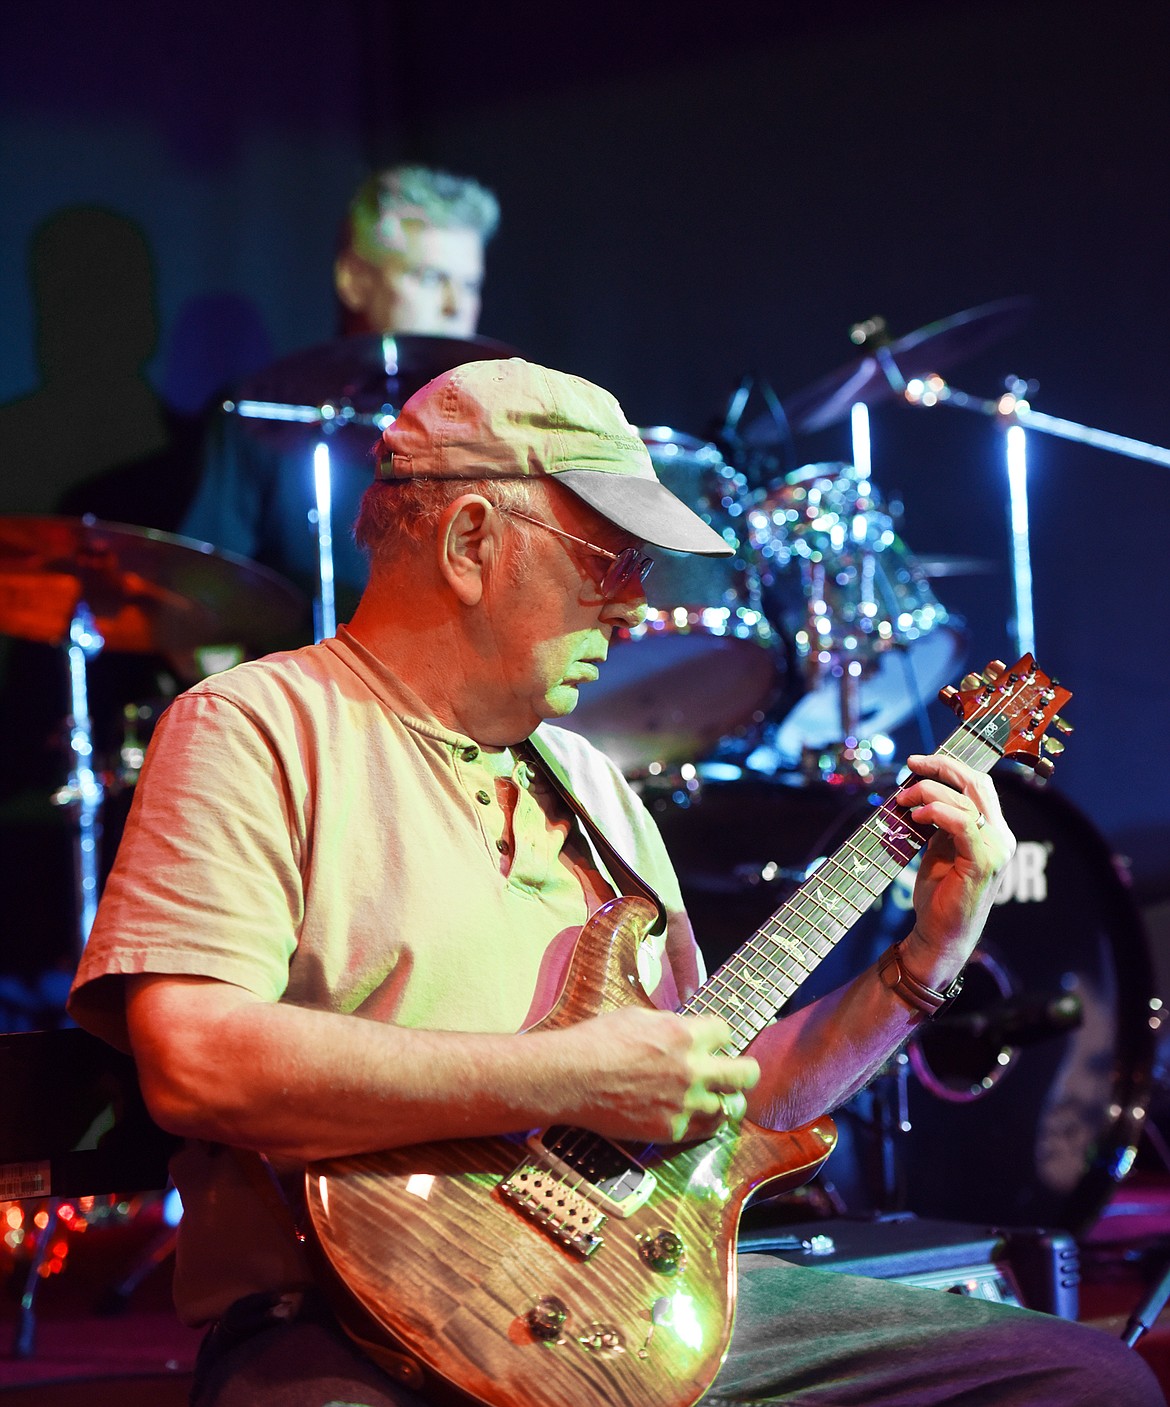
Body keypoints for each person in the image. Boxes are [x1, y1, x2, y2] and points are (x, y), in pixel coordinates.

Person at [68, 359, 1164, 1407]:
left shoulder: (591, 779)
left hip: (626, 1306)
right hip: (345, 1320)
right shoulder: (253, 727)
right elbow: (195, 1060)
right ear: (468, 541)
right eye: (609, 561)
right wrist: (558, 1079)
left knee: (1085, 1381)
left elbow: (709, 1091)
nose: (636, 606)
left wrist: (922, 961)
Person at [178, 164, 503, 620]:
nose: (457, 307)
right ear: (354, 280)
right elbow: (199, 598)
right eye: (430, 279)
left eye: (470, 285)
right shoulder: (266, 413)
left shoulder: (500, 424)